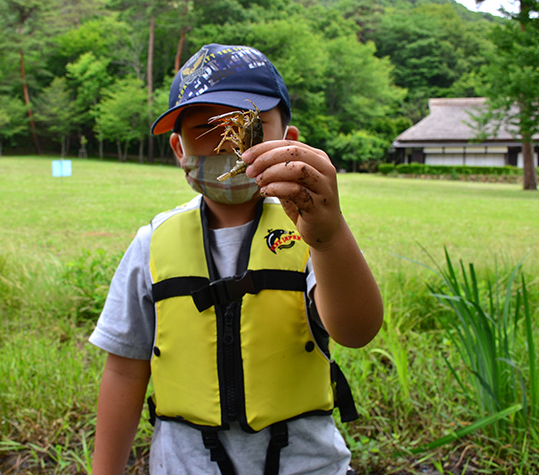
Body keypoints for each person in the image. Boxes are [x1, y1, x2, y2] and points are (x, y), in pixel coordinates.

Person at [89, 43, 383, 475]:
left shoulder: (310, 232)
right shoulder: (153, 243)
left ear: (288, 142)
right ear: (178, 149)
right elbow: (124, 371)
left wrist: (330, 236)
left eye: (249, 128)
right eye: (206, 130)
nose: (229, 147)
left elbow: (358, 330)